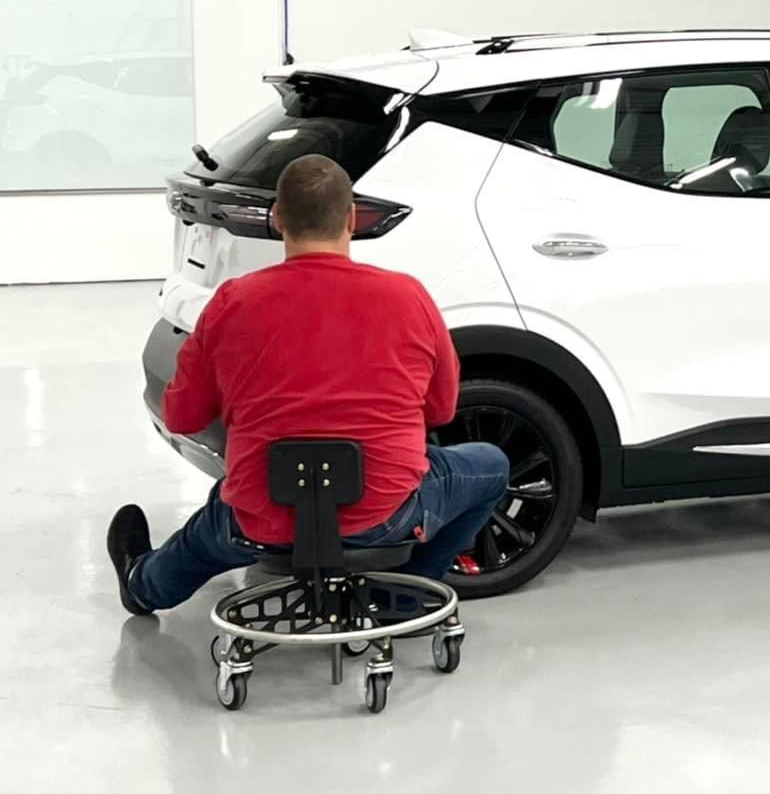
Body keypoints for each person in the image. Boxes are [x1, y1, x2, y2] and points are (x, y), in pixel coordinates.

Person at [107, 154, 509, 614]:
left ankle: (142, 585)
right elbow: (441, 411)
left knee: (216, 521)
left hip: (259, 518)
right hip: (388, 514)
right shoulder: (408, 296)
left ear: (277, 219)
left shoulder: (232, 303)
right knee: (491, 465)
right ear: (353, 218)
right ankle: (406, 595)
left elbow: (182, 416)